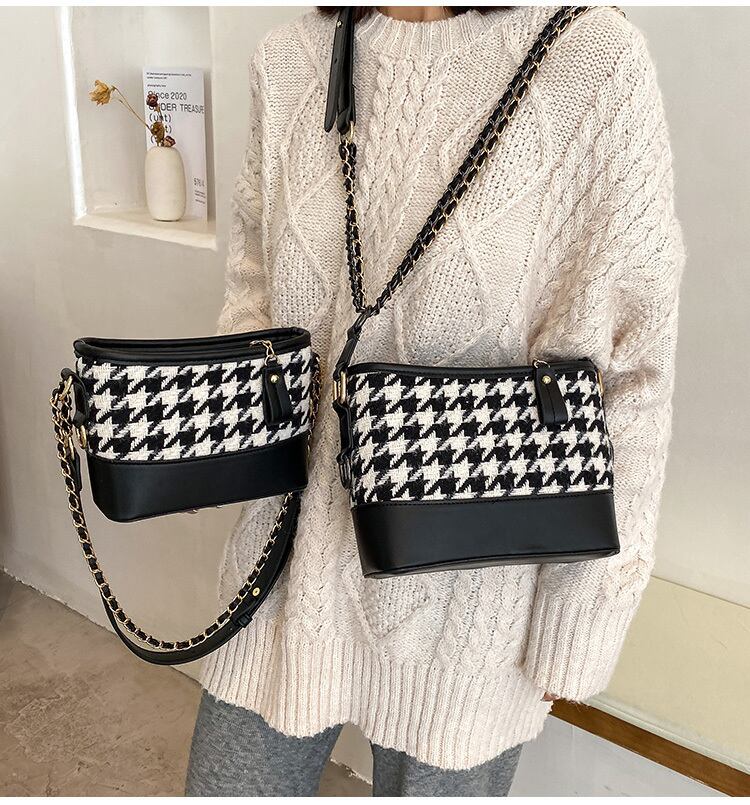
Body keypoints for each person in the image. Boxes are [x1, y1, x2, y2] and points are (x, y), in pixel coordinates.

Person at [185, 5, 684, 796]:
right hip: (280, 573)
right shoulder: (287, 61)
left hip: (470, 609)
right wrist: (217, 445)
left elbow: (632, 374)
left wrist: (582, 616)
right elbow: (254, 287)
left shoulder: (591, 61)